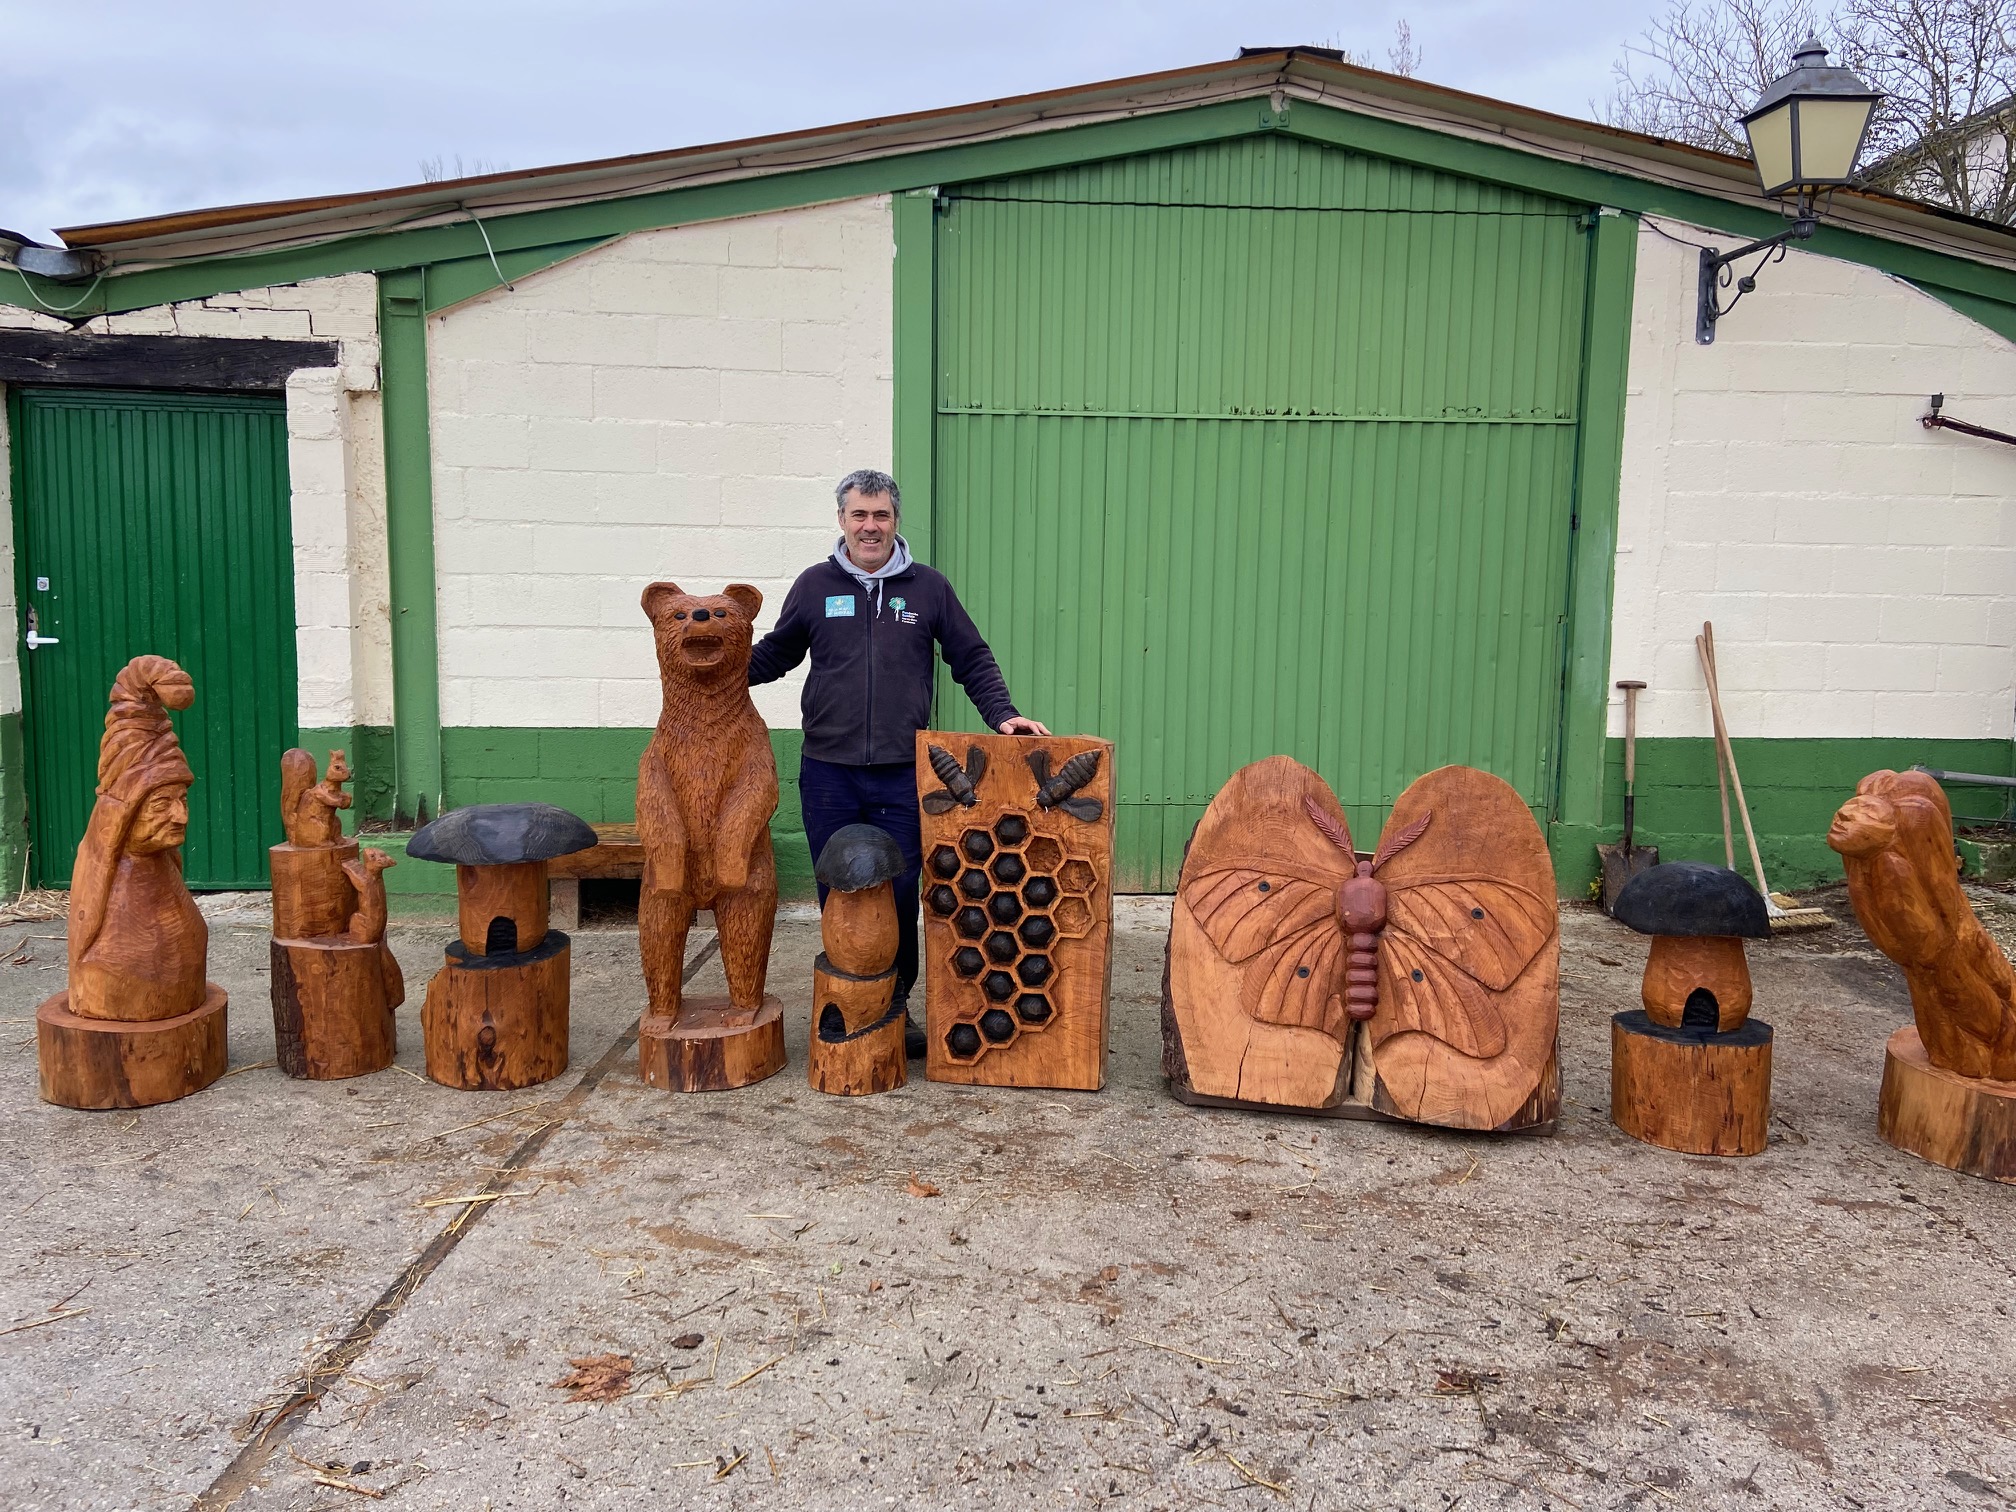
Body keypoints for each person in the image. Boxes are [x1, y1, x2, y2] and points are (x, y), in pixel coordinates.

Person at [748, 468, 1049, 1056]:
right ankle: (846, 1004)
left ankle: (893, 1006)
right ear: (841, 520)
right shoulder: (814, 586)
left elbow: (972, 656)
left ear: (895, 520)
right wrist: (712, 670)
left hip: (902, 774)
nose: (869, 527)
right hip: (828, 772)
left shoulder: (927, 588)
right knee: (839, 888)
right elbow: (776, 654)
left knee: (902, 890)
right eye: (858, 515)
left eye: (880, 515)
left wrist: (1003, 715)